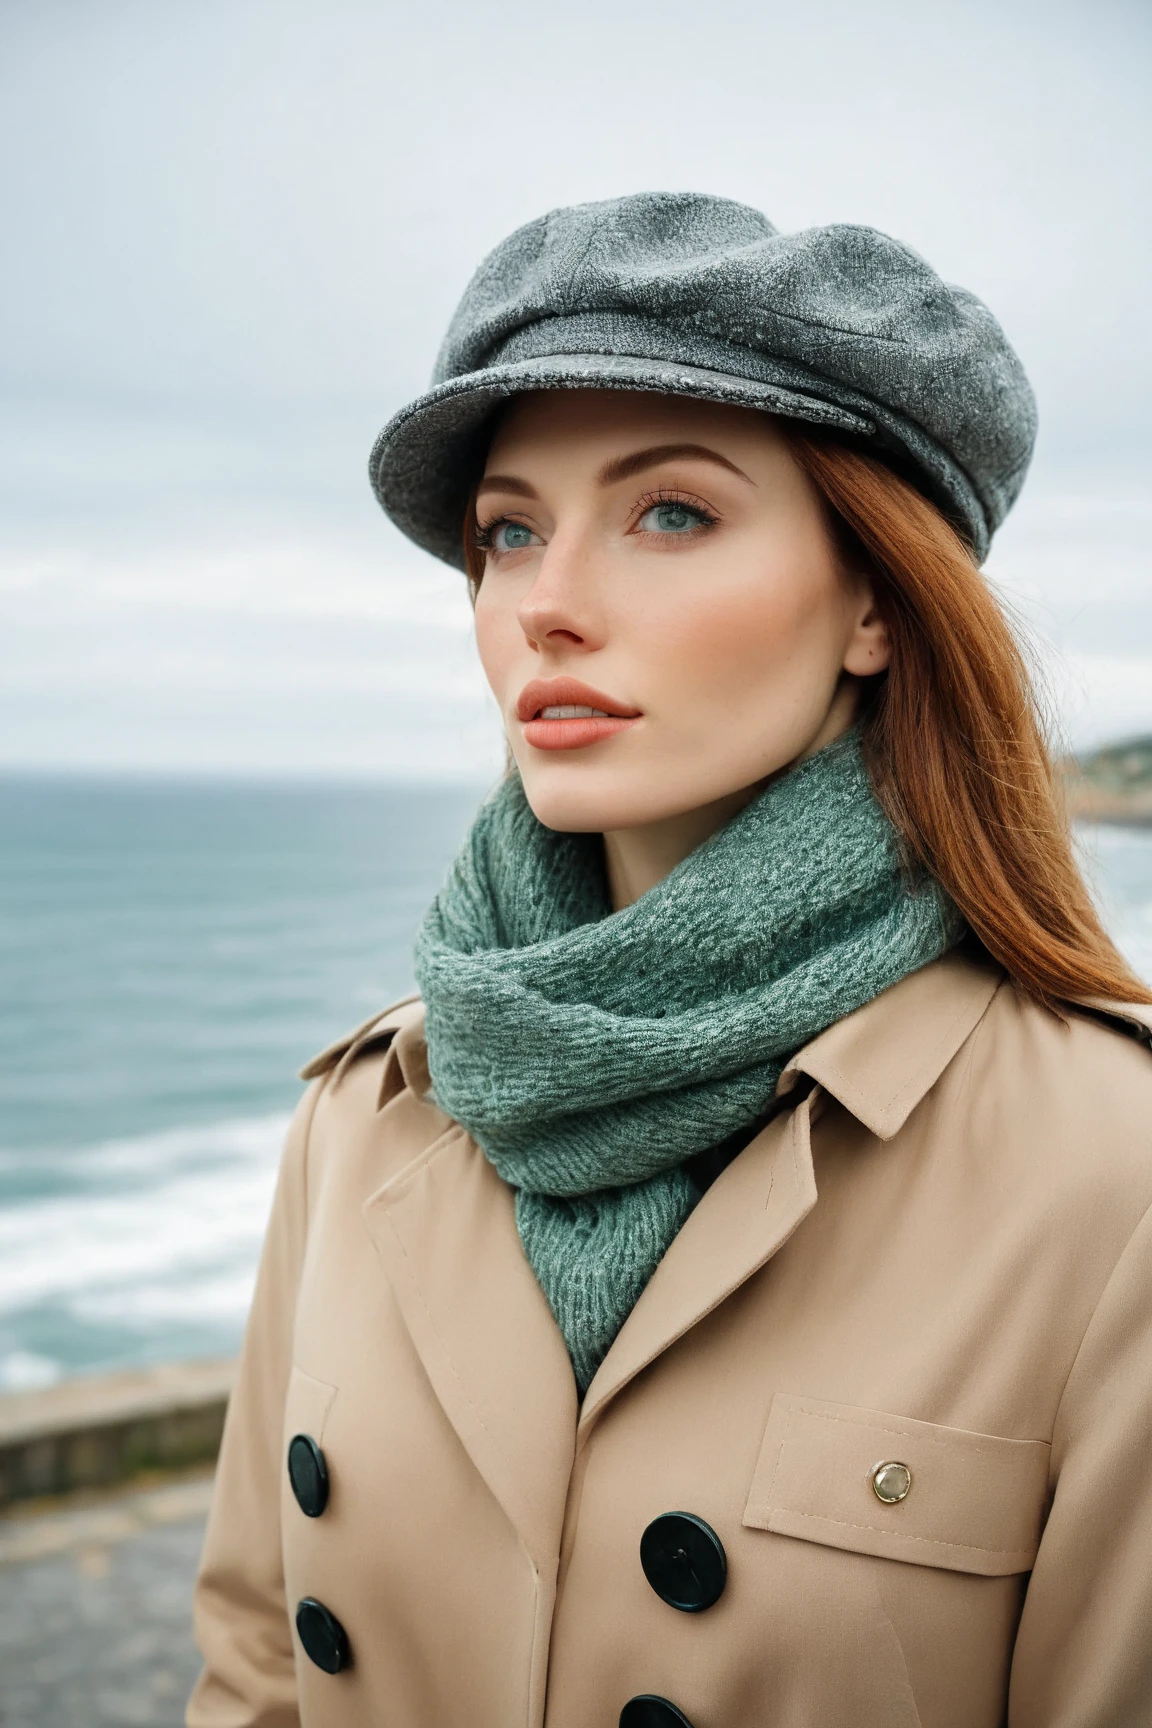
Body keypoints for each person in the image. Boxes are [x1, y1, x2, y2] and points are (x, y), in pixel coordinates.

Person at [187, 193, 1152, 1728]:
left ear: (879, 603)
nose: (546, 606)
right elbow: (252, 1659)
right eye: (509, 532)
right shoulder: (379, 1108)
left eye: (672, 514)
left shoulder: (1116, 1172)